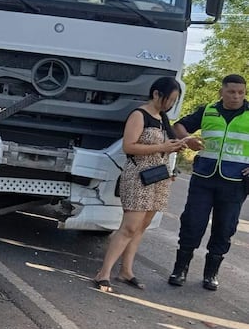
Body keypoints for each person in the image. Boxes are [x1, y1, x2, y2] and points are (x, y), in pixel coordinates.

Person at [94, 77, 186, 291]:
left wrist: (179, 145)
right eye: (169, 99)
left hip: (159, 177)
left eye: (174, 101)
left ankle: (126, 270)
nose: (170, 104)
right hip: (139, 175)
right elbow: (129, 146)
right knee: (129, 226)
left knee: (141, 227)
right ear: (156, 94)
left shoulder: (163, 118)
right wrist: (161, 146)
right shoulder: (139, 115)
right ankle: (104, 272)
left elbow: (165, 146)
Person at [168, 74, 249, 291]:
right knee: (192, 223)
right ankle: (180, 269)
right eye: (231, 92)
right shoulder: (208, 110)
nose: (236, 96)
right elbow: (179, 126)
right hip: (204, 178)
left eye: (241, 92)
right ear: (221, 91)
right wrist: (188, 139)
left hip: (235, 182)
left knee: (225, 228)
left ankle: (211, 274)